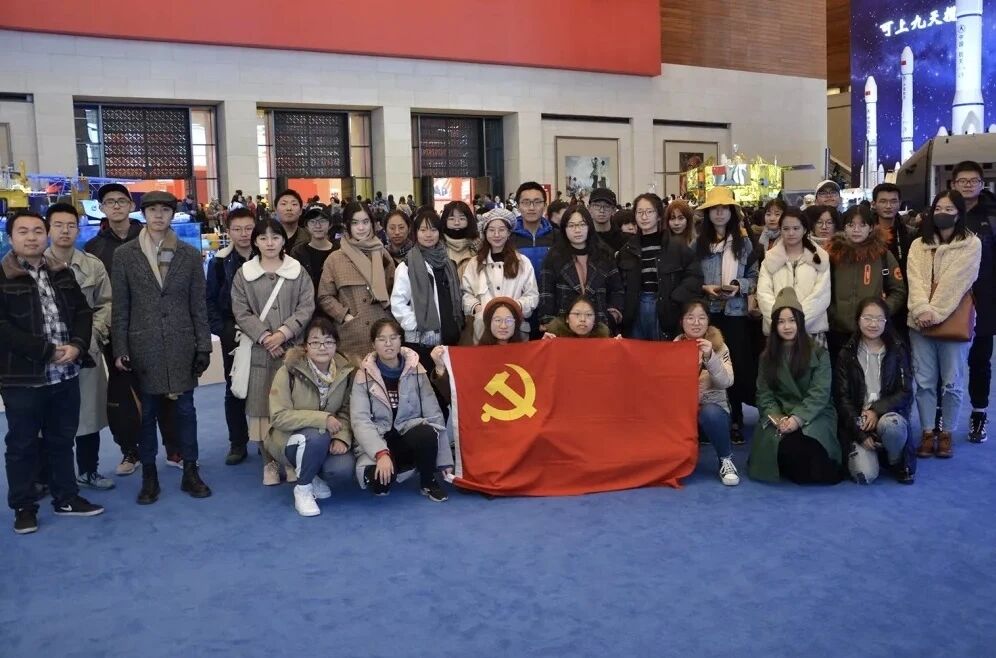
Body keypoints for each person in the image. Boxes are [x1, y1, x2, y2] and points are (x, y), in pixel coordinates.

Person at [0, 210, 104, 534]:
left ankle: (66, 497)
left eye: (37, 231)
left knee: (61, 440)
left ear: (45, 235)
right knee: (22, 445)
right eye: (23, 231)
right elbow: (3, 329)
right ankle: (24, 507)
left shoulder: (61, 271)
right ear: (10, 237)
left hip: (65, 374)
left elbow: (83, 312)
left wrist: (77, 345)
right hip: (22, 379)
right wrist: (45, 351)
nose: (31, 237)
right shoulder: (2, 276)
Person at [110, 191, 212, 504]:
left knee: (186, 412)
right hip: (143, 344)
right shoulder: (125, 255)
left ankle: (190, 470)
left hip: (182, 343)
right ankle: (149, 475)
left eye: (164, 210)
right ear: (143, 214)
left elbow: (198, 305)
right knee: (147, 414)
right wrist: (120, 348)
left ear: (172, 214)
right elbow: (120, 307)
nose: (158, 215)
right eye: (152, 210)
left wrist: (203, 346)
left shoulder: (189, 254)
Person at [231, 217, 316, 486]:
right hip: (260, 351)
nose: (270, 243)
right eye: (263, 238)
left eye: (275, 237)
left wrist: (284, 333)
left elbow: (306, 306)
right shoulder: (244, 274)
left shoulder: (297, 271)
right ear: (255, 241)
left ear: (283, 241)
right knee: (262, 409)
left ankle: (289, 460)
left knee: (293, 405)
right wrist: (266, 336)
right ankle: (269, 462)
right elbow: (240, 310)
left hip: (292, 350)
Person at [44, 203, 115, 490]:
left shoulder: (92, 265)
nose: (65, 231)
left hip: (86, 352)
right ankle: (51, 477)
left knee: (88, 415)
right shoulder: (34, 265)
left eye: (70, 225)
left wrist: (91, 337)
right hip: (47, 356)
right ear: (48, 229)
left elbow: (106, 304)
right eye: (58, 225)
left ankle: (88, 470)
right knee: (50, 420)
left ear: (78, 228)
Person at [907, 191, 981, 459]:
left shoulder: (971, 244)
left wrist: (934, 312)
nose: (943, 212)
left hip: (953, 321)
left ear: (959, 213)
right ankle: (928, 432)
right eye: (938, 207)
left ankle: (947, 432)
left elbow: (957, 282)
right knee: (924, 381)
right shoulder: (918, 244)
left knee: (952, 382)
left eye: (949, 208)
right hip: (919, 322)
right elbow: (914, 280)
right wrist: (921, 309)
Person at [350, 319, 451, 501]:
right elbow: (360, 422)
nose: (388, 344)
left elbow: (433, 413)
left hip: (407, 434)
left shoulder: (416, 368)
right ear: (373, 344)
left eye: (393, 338)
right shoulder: (362, 375)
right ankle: (395, 468)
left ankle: (428, 481)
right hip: (379, 440)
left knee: (427, 432)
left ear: (400, 340)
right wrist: (381, 453)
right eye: (382, 339)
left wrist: (444, 460)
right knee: (380, 485)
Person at [84, 183, 146, 475]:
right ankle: (130, 450)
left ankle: (174, 448)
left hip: (150, 327)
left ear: (132, 205)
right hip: (114, 330)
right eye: (110, 202)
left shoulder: (149, 237)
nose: (117, 206)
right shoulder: (93, 248)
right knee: (121, 394)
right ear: (102, 209)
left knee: (163, 389)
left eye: (122, 200)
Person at [749, 288, 841, 484]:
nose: (787, 326)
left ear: (799, 322)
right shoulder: (766, 357)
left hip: (814, 413)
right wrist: (778, 418)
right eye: (781, 322)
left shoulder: (819, 352)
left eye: (791, 320)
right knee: (782, 447)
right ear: (774, 325)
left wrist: (798, 419)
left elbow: (820, 393)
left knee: (813, 456)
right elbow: (764, 394)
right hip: (780, 414)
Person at [266, 317, 354, 517]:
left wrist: (342, 437)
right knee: (317, 435)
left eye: (329, 341)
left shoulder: (345, 372)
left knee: (342, 468)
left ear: (336, 345)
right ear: (305, 346)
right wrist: (322, 419)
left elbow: (346, 411)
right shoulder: (288, 371)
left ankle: (311, 472)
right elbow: (278, 416)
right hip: (287, 438)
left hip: (328, 436)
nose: (322, 347)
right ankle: (303, 488)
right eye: (315, 342)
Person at [696, 187, 759, 445]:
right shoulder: (698, 244)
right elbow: (692, 276)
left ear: (732, 212)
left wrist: (737, 286)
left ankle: (735, 418)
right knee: (707, 367)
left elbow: (754, 277)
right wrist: (705, 288)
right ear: (708, 213)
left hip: (735, 313)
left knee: (735, 367)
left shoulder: (744, 243)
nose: (720, 213)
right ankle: (710, 420)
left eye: (724, 208)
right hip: (709, 314)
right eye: (715, 208)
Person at [834, 298, 916, 485]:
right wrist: (860, 434)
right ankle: (874, 452)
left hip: (888, 415)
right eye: (868, 318)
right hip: (859, 420)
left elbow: (906, 392)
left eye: (879, 319)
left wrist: (876, 410)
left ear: (886, 322)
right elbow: (842, 398)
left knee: (893, 426)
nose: (873, 324)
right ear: (858, 320)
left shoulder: (898, 349)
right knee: (865, 475)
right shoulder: (847, 353)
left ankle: (894, 459)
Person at [950, 161, 996, 443]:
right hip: (949, 302)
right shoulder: (944, 211)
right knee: (947, 365)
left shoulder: (992, 215)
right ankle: (940, 417)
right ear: (953, 184)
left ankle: (979, 414)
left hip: (985, 301)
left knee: (980, 361)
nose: (968, 185)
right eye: (962, 181)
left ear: (982, 184)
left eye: (973, 181)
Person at [617, 193, 702, 341]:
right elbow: (618, 283)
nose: (644, 217)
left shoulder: (676, 246)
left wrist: (675, 297)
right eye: (640, 212)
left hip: (666, 307)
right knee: (637, 352)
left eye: (649, 212)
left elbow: (695, 275)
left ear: (658, 216)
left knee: (663, 351)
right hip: (636, 308)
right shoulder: (627, 250)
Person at [318, 201, 396, 360]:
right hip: (353, 335)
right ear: (347, 225)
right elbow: (325, 296)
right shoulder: (335, 259)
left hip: (383, 332)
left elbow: (394, 289)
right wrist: (345, 316)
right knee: (355, 373)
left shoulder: (382, 254)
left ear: (372, 224)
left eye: (365, 222)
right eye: (355, 223)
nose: (361, 228)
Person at [825, 205, 907, 359]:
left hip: (873, 332)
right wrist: (832, 314)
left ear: (870, 228)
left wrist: (880, 313)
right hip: (838, 332)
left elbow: (898, 291)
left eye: (862, 225)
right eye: (851, 225)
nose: (856, 230)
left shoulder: (882, 255)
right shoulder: (833, 255)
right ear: (844, 227)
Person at [206, 206, 254, 465]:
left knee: (270, 387)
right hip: (232, 334)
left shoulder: (269, 256)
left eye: (249, 228)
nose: (244, 234)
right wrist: (223, 330)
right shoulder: (218, 262)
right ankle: (238, 442)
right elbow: (210, 301)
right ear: (228, 232)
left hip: (266, 333)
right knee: (234, 388)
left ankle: (270, 441)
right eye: (237, 229)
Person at [674, 300, 740, 486]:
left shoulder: (720, 347)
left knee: (710, 412)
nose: (696, 323)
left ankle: (725, 459)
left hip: (712, 412)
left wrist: (710, 357)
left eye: (701, 318)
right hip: (683, 413)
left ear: (708, 321)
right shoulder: (673, 348)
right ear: (682, 321)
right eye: (690, 318)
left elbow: (726, 381)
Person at [390, 207, 464, 366]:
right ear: (415, 233)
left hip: (449, 336)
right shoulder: (407, 266)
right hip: (421, 341)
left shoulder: (447, 263)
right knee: (424, 378)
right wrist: (417, 324)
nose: (428, 235)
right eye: (423, 230)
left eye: (433, 230)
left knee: (446, 379)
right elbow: (398, 303)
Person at [538, 204, 624, 334]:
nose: (577, 230)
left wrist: (613, 315)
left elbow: (616, 289)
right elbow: (547, 293)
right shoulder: (553, 257)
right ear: (564, 229)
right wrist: (548, 322)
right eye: (571, 225)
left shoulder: (604, 255)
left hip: (599, 325)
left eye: (582, 224)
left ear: (589, 226)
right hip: (564, 326)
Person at [461, 208, 539, 343]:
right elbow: (466, 293)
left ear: (509, 232)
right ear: (485, 233)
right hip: (483, 329)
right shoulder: (475, 263)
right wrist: (477, 308)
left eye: (502, 230)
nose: (496, 234)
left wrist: (515, 307)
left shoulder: (522, 262)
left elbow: (532, 295)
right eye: (491, 230)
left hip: (515, 329)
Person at [756, 207, 830, 340]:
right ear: (780, 230)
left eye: (796, 228)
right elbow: (763, 294)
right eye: (786, 229)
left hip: (811, 332)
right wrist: (781, 322)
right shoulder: (770, 259)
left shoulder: (820, 258)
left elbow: (821, 296)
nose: (791, 233)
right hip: (778, 331)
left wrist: (796, 323)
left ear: (805, 230)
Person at [510, 182, 555, 336]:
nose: (531, 207)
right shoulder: (508, 237)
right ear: (518, 206)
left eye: (537, 202)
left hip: (550, 307)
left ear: (545, 205)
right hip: (519, 307)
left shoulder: (556, 235)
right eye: (526, 202)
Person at [290, 207, 337, 302]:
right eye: (312, 221)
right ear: (306, 226)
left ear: (330, 224)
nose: (318, 226)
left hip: (335, 303)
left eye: (322, 221)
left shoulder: (338, 250)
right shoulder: (298, 252)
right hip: (307, 303)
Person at [871, 183, 914, 276]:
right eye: (883, 201)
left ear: (900, 203)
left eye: (893, 201)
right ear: (874, 204)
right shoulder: (866, 233)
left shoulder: (910, 234)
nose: (888, 206)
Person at [542, 296, 612, 338]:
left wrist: (616, 347)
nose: (583, 319)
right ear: (567, 318)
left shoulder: (602, 338)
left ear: (595, 320)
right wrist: (544, 345)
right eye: (577, 314)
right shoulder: (554, 336)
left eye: (588, 315)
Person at [274, 188, 310, 253]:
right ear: (276, 210)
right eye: (284, 204)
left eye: (294, 204)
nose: (289, 208)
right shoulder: (266, 238)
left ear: (301, 211)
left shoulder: (310, 237)